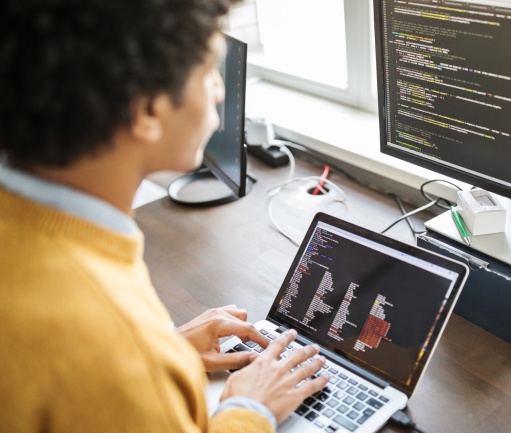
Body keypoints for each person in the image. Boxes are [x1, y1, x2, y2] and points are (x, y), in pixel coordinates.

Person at [0, 1, 329, 432]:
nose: (219, 91)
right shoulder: (112, 341)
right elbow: (102, 359)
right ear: (148, 110)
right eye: (209, 72)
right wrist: (252, 410)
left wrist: (166, 353)